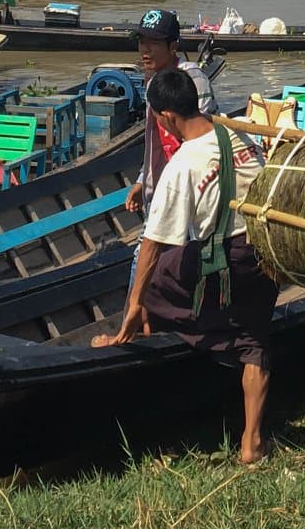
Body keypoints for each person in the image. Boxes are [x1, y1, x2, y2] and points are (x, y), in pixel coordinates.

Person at [93, 70, 276, 462]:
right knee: (255, 342)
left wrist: (132, 310)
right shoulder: (238, 132)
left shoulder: (182, 166)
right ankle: (252, 443)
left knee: (157, 279)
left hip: (231, 262)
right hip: (267, 256)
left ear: (166, 118)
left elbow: (152, 245)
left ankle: (158, 340)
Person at [125, 9, 219, 215]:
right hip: (165, 183)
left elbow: (202, 137)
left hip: (192, 184)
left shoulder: (193, 80)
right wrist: (143, 180)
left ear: (173, 46)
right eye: (142, 41)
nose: (145, 50)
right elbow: (156, 141)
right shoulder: (152, 82)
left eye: (154, 43)